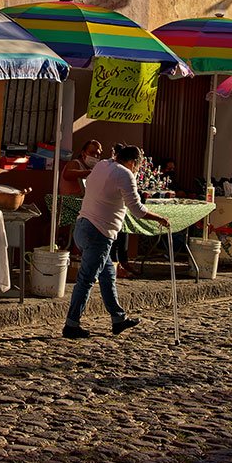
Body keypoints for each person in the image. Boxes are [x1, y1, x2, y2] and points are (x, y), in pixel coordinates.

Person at [63, 145, 167, 340]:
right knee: (86, 280)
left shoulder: (103, 165)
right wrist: (159, 218)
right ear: (133, 162)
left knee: (108, 274)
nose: (137, 169)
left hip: (83, 226)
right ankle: (71, 324)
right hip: (99, 232)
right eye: (138, 166)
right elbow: (137, 210)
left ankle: (118, 319)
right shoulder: (125, 174)